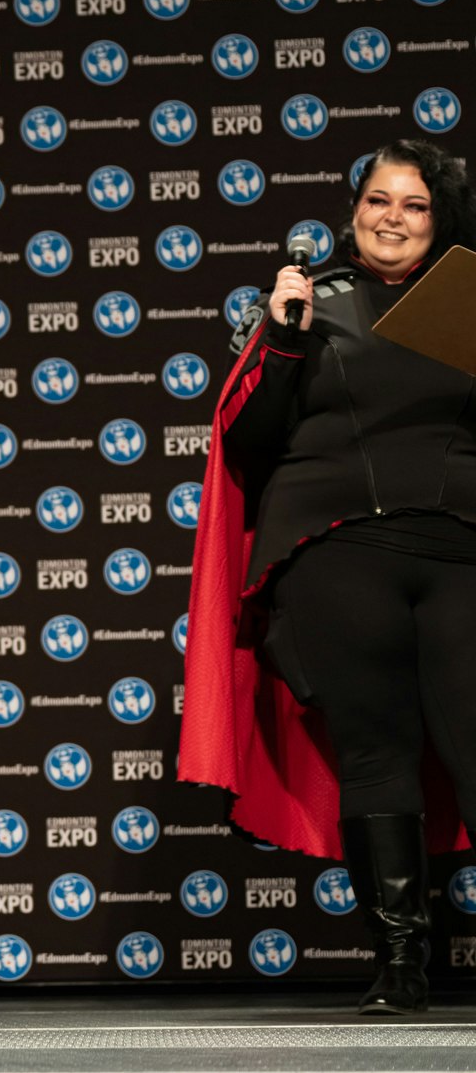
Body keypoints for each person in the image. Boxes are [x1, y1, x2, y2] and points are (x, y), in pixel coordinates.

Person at [182, 140, 476, 1016]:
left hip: (461, 549)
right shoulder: (308, 299)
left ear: (440, 219)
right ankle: (401, 961)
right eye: (378, 199)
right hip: (337, 553)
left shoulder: (466, 301)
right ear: (354, 210)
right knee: (374, 752)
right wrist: (281, 337)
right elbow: (249, 442)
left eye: (414, 204)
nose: (392, 217)